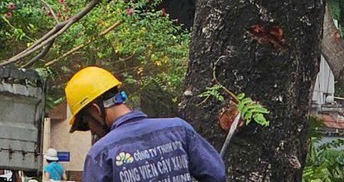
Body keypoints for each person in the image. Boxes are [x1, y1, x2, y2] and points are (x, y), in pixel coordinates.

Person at [66, 66, 225, 182]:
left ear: (95, 110)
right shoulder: (179, 130)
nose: (92, 131)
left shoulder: (101, 154)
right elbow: (217, 175)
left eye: (87, 124)